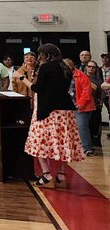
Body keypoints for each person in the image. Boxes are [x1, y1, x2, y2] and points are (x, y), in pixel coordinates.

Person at [25, 43, 85, 187]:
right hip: (65, 112)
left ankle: (46, 175)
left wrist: (23, 79)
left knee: (38, 142)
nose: (40, 57)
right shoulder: (66, 67)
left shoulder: (46, 67)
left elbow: (38, 88)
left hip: (48, 112)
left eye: (41, 54)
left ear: (47, 55)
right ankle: (61, 175)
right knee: (63, 143)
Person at [72, 60, 100, 157]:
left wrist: (81, 104)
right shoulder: (65, 76)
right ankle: (79, 147)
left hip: (83, 106)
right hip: (71, 105)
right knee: (76, 127)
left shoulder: (81, 76)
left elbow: (86, 92)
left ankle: (87, 148)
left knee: (82, 127)